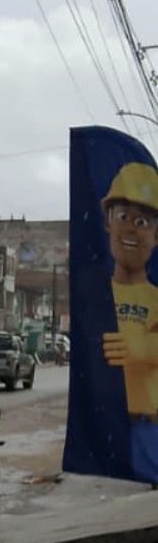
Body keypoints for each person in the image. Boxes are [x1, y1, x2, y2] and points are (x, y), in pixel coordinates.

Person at [100, 163, 158, 419]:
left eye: (142, 221)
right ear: (108, 222)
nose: (131, 228)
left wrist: (145, 347)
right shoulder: (93, 298)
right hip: (103, 425)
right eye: (123, 216)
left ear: (156, 235)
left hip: (149, 427)